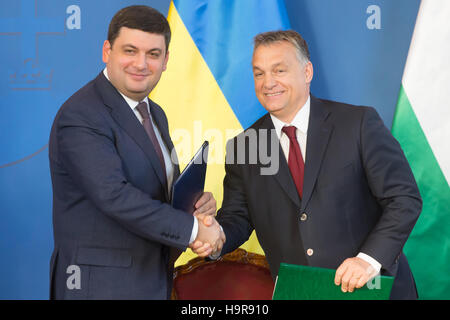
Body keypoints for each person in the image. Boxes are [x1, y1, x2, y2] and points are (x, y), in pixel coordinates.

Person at [194, 30, 422, 299]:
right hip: (301, 293)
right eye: (259, 73)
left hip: (373, 289)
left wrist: (368, 260)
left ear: (307, 72)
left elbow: (404, 199)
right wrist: (213, 235)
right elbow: (238, 220)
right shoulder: (244, 148)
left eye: (279, 70)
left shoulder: (358, 124)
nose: (268, 83)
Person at [49, 5, 222, 300]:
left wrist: (195, 208)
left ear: (166, 60)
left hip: (151, 280)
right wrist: (193, 230)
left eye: (153, 54)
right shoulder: (81, 114)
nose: (141, 64)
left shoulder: (155, 113)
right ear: (107, 51)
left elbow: (159, 192)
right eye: (130, 50)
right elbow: (115, 196)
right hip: (99, 287)